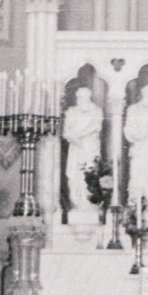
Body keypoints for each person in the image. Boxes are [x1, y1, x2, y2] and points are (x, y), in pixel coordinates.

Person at [62, 86, 104, 215]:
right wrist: (73, 137)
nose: (82, 99)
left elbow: (96, 127)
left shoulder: (96, 111)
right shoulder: (71, 111)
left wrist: (79, 134)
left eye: (84, 96)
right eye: (80, 96)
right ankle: (77, 202)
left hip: (90, 147)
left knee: (91, 172)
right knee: (76, 175)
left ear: (89, 97)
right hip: (76, 147)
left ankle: (90, 202)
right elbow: (65, 132)